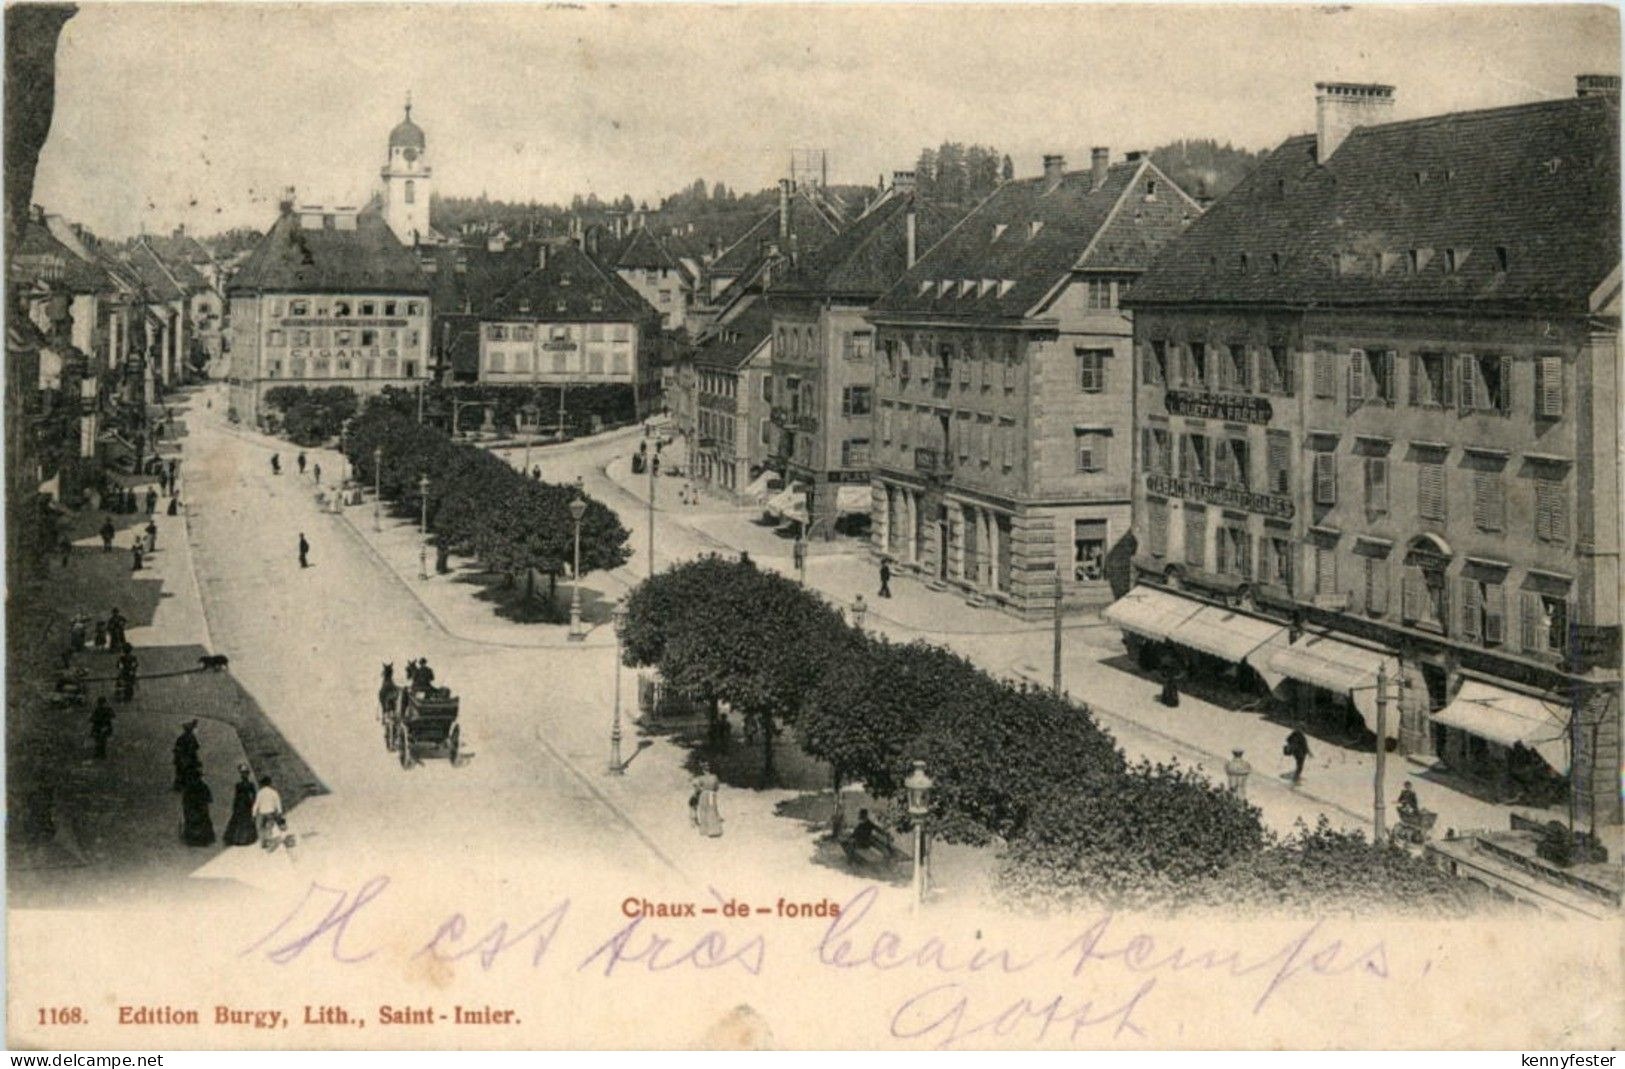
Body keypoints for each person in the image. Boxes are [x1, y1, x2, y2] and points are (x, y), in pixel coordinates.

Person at [221, 764, 259, 847]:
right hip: (241, 804)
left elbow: (254, 795)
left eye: (245, 773)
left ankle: (244, 838)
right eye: (242, 773)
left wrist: (253, 803)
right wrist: (235, 805)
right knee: (239, 819)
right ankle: (239, 838)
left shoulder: (250, 785)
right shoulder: (238, 785)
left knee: (246, 819)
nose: (244, 775)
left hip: (246, 804)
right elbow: (237, 796)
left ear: (247, 774)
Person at [178, 767, 215, 847]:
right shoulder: (203, 786)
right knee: (202, 821)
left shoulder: (189, 788)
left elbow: (185, 800)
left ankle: (193, 839)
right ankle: (202, 839)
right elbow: (209, 799)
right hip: (200, 809)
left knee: (193, 822)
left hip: (192, 810)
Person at [689, 762, 723, 838]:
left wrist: (696, 793)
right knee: (712, 809)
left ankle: (705, 830)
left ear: (703, 770)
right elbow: (717, 787)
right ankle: (714, 830)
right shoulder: (714, 777)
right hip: (711, 794)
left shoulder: (701, 778)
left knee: (704, 810)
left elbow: (697, 788)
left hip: (703, 794)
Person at [252, 775, 285, 849]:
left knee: (260, 827)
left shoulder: (260, 793)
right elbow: (278, 803)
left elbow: (256, 804)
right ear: (270, 783)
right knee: (269, 827)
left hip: (262, 813)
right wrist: (279, 812)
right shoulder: (273, 792)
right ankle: (269, 841)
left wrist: (253, 814)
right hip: (271, 813)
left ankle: (263, 842)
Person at [172, 719, 201, 791]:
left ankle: (179, 785)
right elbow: (196, 747)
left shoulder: (181, 738)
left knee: (180, 772)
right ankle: (187, 785)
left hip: (181, 757)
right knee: (189, 771)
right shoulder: (191, 737)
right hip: (188, 757)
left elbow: (177, 748)